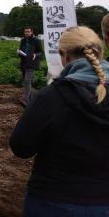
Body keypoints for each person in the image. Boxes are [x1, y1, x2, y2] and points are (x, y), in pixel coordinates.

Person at [10, 26, 109, 216]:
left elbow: (21, 147)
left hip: (53, 199)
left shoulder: (50, 95)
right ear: (100, 51)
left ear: (64, 56)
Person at [17, 26, 43, 105]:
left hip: (32, 63)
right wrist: (19, 53)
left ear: (32, 32)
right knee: (26, 81)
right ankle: (32, 97)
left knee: (27, 80)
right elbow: (21, 49)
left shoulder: (37, 41)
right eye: (25, 32)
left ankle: (26, 99)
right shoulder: (23, 40)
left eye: (28, 32)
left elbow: (40, 52)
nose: (27, 33)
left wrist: (36, 54)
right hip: (24, 62)